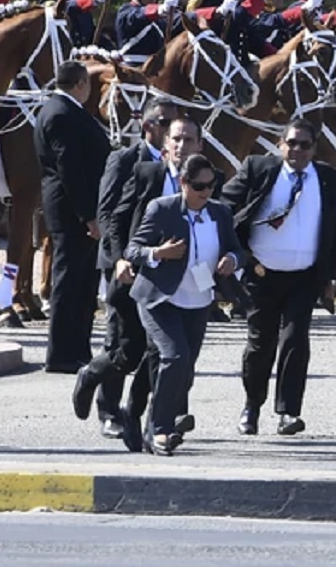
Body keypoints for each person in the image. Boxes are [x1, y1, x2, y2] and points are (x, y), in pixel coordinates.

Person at [222, 119, 336, 437]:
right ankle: (252, 405)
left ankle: (289, 412)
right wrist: (240, 254)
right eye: (292, 143)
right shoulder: (259, 169)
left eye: (305, 144)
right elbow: (225, 206)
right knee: (260, 345)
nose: (298, 150)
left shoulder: (328, 179)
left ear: (314, 149)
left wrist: (330, 275)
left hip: (304, 277)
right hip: (262, 274)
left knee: (295, 340)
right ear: (280, 144)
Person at [125, 153, 241, 456]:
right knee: (174, 357)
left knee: (182, 369)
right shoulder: (162, 209)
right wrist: (158, 253)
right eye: (198, 186)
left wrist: (232, 259)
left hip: (199, 299)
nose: (205, 193)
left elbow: (237, 248)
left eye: (211, 186)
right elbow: (133, 249)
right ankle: (161, 430)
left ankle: (134, 413)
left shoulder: (220, 213)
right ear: (183, 183)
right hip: (160, 297)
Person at [81, 100, 179, 440]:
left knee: (158, 344)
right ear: (148, 126)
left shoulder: (181, 165)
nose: (172, 130)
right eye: (165, 122)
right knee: (121, 340)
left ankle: (151, 414)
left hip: (163, 267)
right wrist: (120, 258)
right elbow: (107, 213)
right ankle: (108, 409)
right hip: (122, 263)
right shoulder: (125, 159)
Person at [34, 60, 111, 373]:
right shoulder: (61, 114)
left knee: (83, 282)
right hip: (72, 211)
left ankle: (78, 348)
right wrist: (88, 215)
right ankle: (62, 353)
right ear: (81, 84)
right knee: (69, 280)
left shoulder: (63, 111)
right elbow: (70, 168)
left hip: (78, 210)